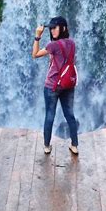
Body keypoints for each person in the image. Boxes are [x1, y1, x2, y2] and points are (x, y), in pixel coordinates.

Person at [32, 16, 79, 155]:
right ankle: (74, 145)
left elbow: (35, 54)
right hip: (68, 84)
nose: (52, 31)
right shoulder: (72, 43)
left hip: (52, 86)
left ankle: (47, 146)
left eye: (55, 28)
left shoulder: (53, 46)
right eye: (51, 28)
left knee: (50, 116)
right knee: (70, 115)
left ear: (63, 28)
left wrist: (37, 37)